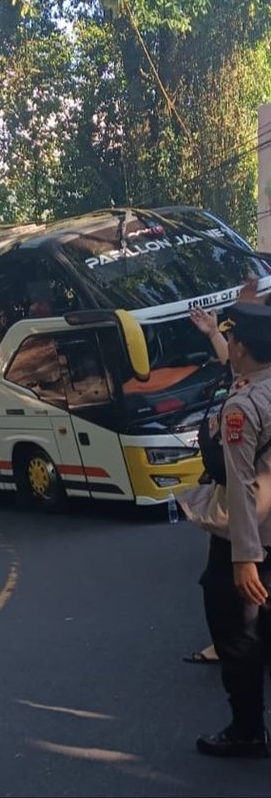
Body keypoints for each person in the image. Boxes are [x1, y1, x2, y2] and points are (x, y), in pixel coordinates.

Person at [182, 302, 271, 758]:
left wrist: (244, 558)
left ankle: (247, 728)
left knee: (237, 636)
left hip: (251, 540)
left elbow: (240, 483)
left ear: (242, 348)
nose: (229, 347)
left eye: (232, 340)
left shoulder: (242, 406)